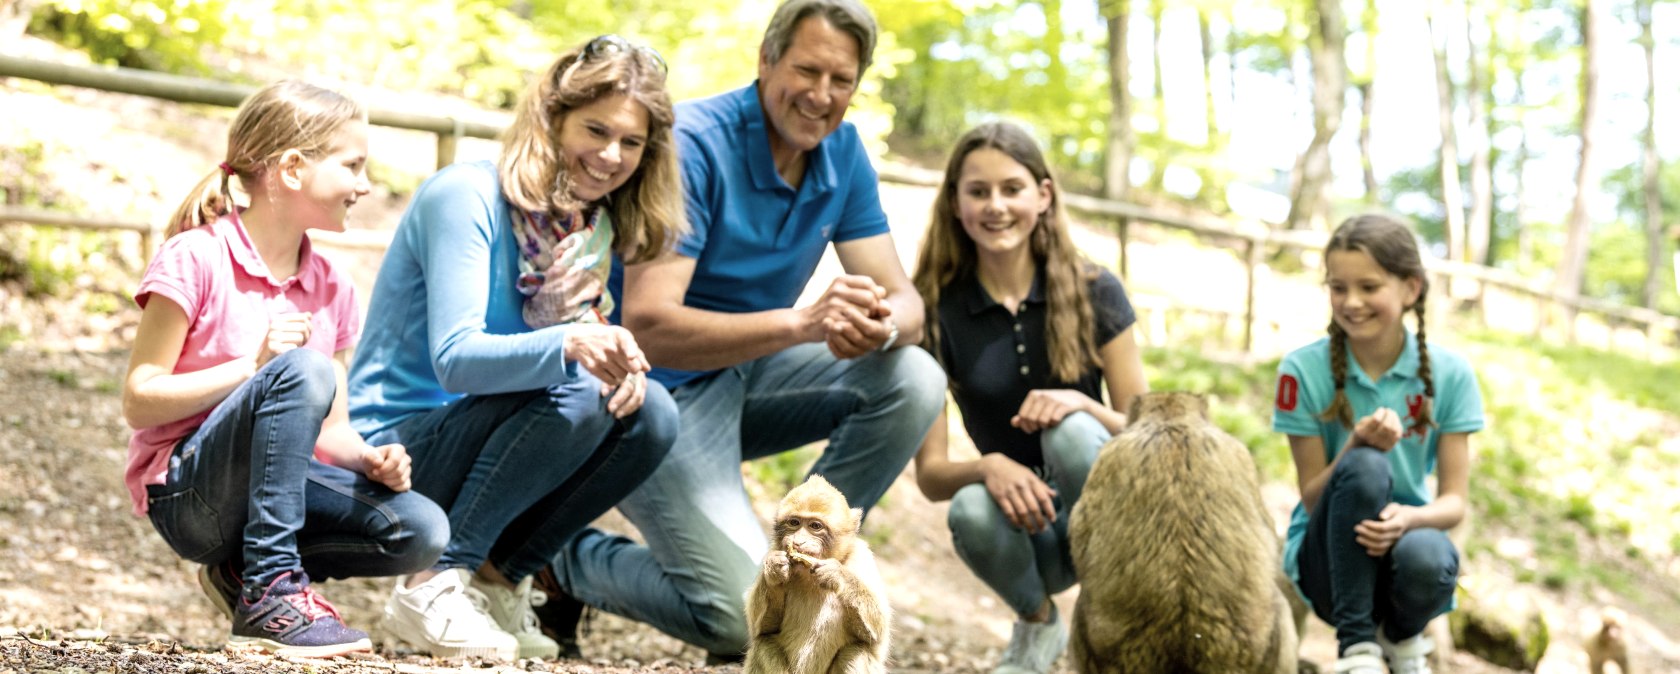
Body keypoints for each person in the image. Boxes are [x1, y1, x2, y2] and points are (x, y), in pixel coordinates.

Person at [536, 0, 946, 661]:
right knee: (739, 619)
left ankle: (809, 573)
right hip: (652, 395)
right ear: (766, 60)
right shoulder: (696, 144)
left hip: (749, 374)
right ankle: (554, 556)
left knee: (914, 377)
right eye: (807, 70)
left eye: (841, 80)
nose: (821, 95)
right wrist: (804, 323)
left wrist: (876, 324)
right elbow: (649, 325)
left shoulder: (842, 153)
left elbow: (910, 305)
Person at [346, 35, 681, 661]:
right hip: (392, 448)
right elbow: (456, 359)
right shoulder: (465, 195)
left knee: (652, 413)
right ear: (552, 119)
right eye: (596, 130)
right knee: (580, 378)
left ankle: (495, 581)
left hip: (493, 435)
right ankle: (433, 581)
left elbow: (565, 362)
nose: (611, 156)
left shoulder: (589, 228)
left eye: (631, 142)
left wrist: (612, 364)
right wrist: (576, 342)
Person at [122, 81, 448, 658]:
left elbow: (333, 431)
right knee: (301, 368)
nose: (365, 185)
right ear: (293, 168)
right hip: (188, 497)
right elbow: (139, 400)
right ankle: (273, 592)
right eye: (353, 166)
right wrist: (252, 368)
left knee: (421, 529)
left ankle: (244, 575)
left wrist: (369, 459)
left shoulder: (332, 286)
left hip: (274, 492)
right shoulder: (195, 257)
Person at [908, 121, 1147, 674]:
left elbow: (1150, 431)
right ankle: (1039, 625)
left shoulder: (1096, 290)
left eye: (1011, 189)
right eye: (978, 191)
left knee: (1070, 431)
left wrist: (1084, 405)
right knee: (970, 507)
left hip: (1112, 522)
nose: (996, 206)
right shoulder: (936, 311)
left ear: (1042, 196)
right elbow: (932, 476)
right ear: (956, 203)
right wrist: (989, 466)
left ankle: (1118, 613)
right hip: (1030, 531)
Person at [1272, 214, 1484, 674]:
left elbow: (1454, 503)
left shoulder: (1451, 375)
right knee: (1366, 465)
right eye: (1338, 287)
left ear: (1410, 289)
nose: (1351, 302)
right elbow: (1311, 497)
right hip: (1327, 564)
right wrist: (1354, 446)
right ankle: (1357, 649)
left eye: (1369, 287)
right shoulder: (1301, 371)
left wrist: (1409, 518)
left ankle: (1402, 640)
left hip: (1406, 562)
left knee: (1429, 554)